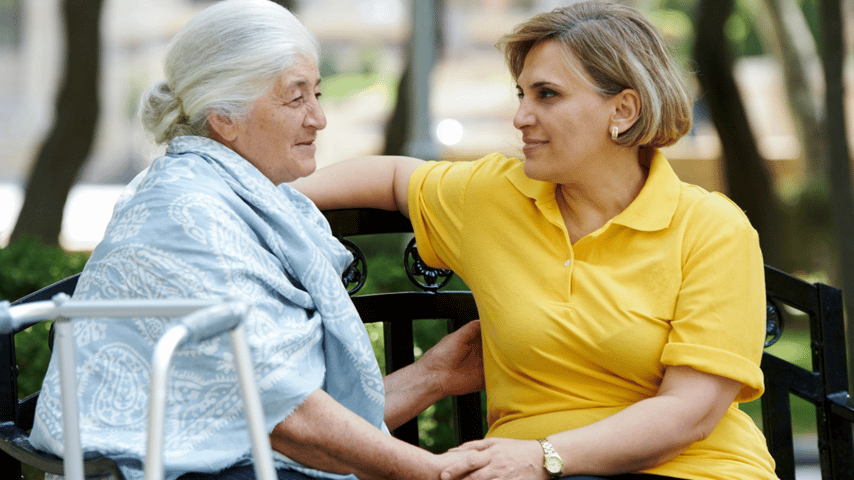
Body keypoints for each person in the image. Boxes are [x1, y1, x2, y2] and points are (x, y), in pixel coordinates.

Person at [291, 2, 777, 479]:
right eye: (521, 94)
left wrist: (542, 456)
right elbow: (395, 177)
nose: (521, 116)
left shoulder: (712, 229)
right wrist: (250, 198)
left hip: (697, 469)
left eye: (546, 95)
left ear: (623, 110)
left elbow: (689, 413)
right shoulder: (495, 197)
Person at [27, 1, 483, 479]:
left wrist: (435, 375)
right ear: (224, 117)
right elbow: (290, 424)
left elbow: (273, 417)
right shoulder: (186, 215)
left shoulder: (227, 194)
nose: (318, 119)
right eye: (295, 98)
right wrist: (435, 472)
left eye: (318, 94)